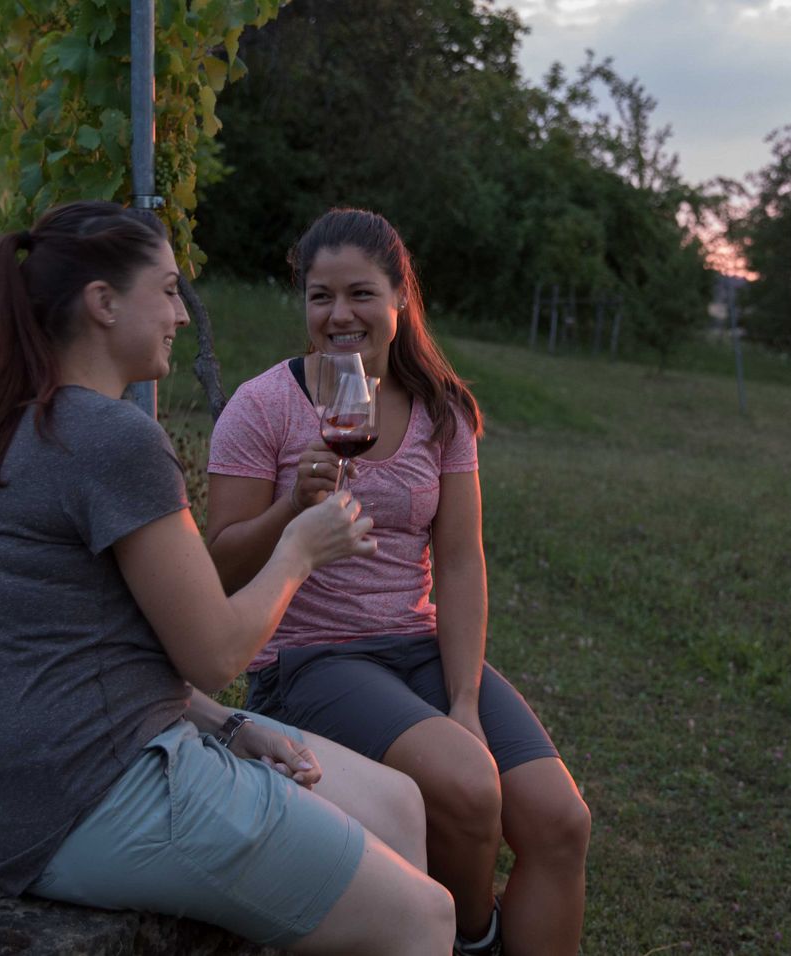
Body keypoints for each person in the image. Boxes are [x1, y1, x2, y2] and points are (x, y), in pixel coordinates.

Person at [0, 201, 457, 955]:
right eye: (170, 288)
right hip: (93, 798)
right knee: (427, 918)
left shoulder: (32, 418)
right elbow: (216, 654)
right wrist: (300, 550)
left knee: (402, 805)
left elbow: (102, 644)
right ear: (104, 303)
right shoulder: (114, 438)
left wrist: (233, 725)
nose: (182, 314)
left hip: (51, 783)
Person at [205, 207, 591, 956]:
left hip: (415, 649)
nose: (339, 314)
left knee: (559, 821)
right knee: (470, 788)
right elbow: (218, 565)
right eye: (321, 296)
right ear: (304, 303)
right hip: (311, 662)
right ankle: (471, 940)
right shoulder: (263, 406)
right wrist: (294, 506)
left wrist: (466, 700)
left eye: (360, 294)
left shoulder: (441, 411)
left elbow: (459, 562)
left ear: (398, 300)